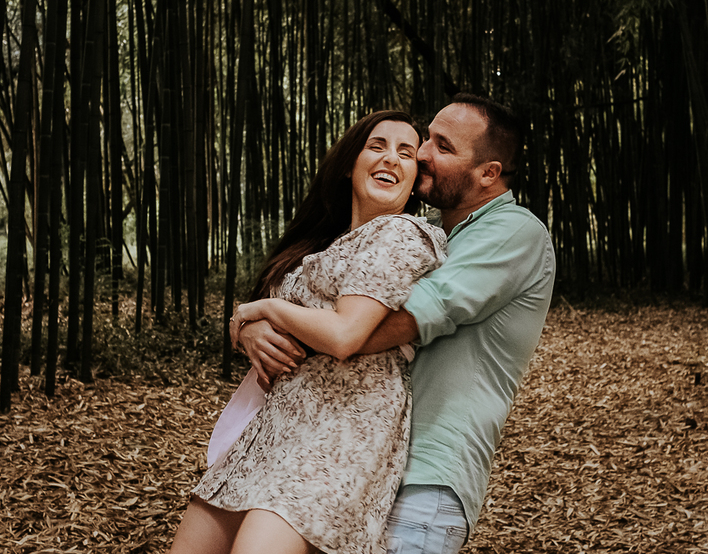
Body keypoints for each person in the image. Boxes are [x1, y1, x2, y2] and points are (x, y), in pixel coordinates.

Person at [239, 94, 556, 554]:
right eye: (427, 138)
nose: (421, 153)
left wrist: (273, 322)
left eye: (442, 146)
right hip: (358, 467)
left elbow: (388, 324)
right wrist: (248, 327)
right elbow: (318, 295)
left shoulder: (514, 231)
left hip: (425, 480)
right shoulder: (427, 230)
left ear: (488, 173)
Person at [168, 109, 447, 554]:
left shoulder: (400, 233)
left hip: (344, 426)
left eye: (406, 153)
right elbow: (281, 323)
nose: (391, 158)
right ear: (350, 163)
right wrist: (249, 329)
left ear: (415, 180)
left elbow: (343, 334)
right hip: (276, 423)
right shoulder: (323, 243)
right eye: (376, 146)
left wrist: (264, 309)